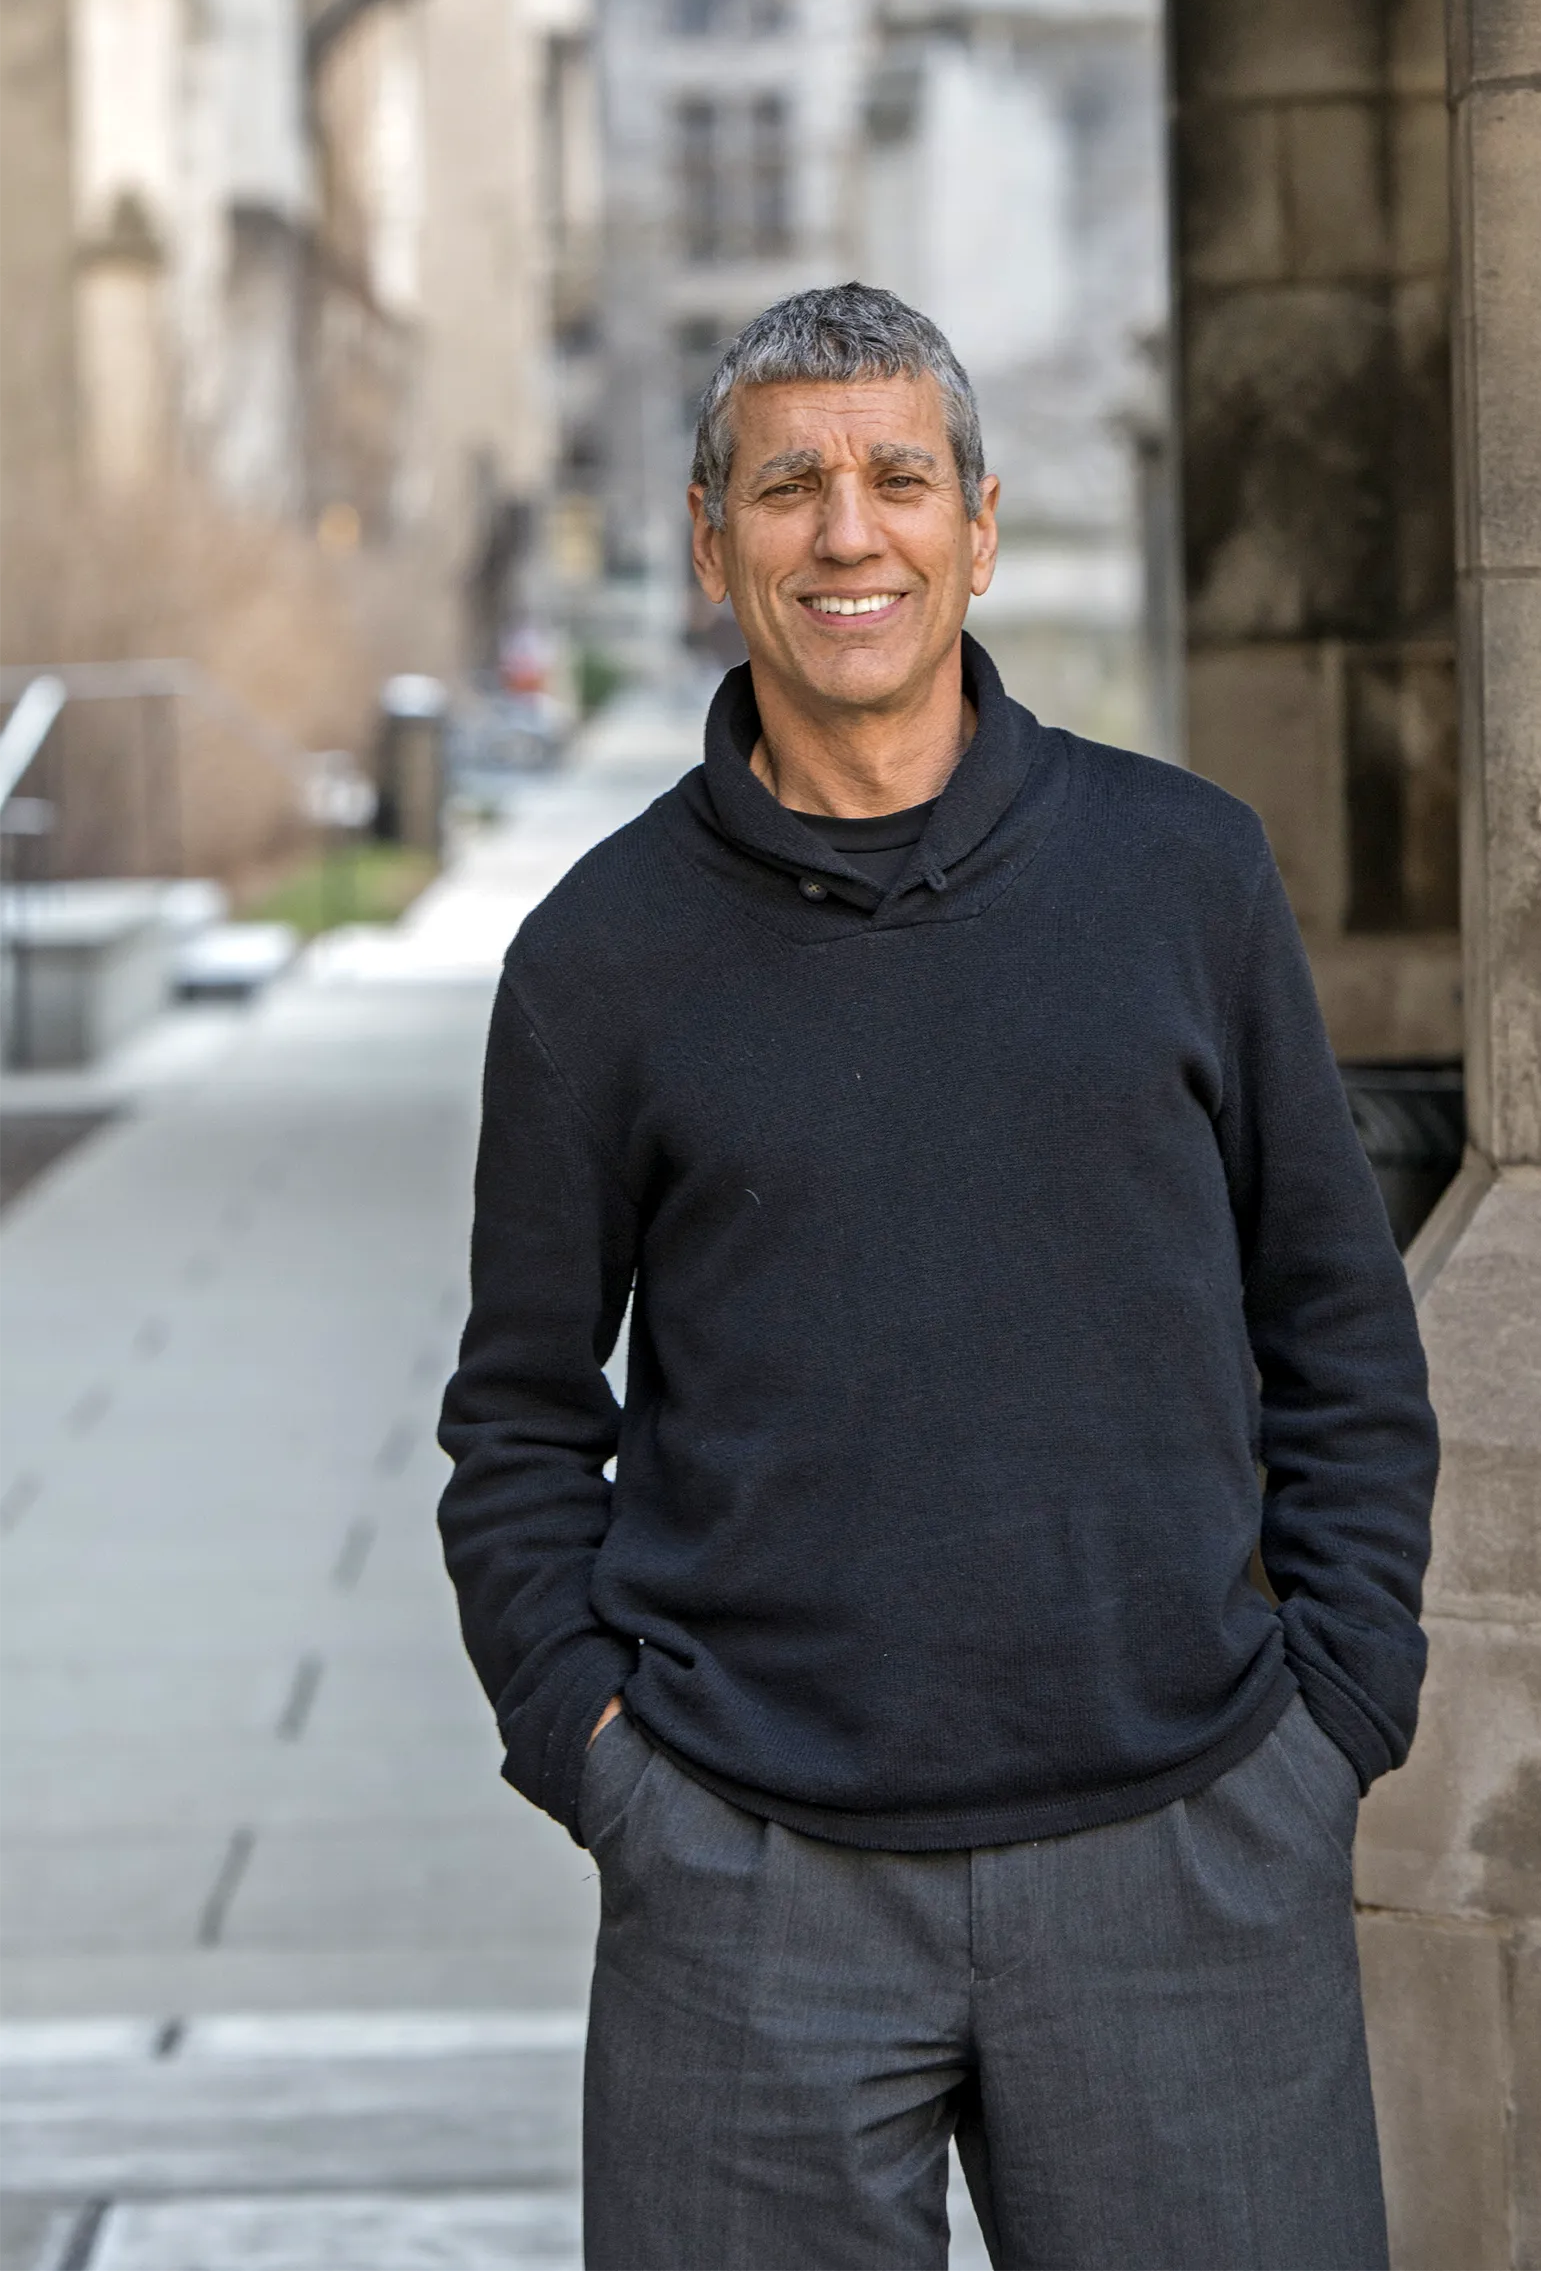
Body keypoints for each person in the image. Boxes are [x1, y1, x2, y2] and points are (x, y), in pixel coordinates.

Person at [439, 282, 1438, 2271]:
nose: (848, 531)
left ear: (976, 527)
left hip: (1188, 1851)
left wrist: (1333, 1716)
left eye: (899, 477)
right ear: (712, 539)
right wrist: (606, 1758)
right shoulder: (597, 957)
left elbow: (1337, 1329)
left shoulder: (1186, 877)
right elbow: (523, 1417)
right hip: (748, 1871)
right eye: (789, 484)